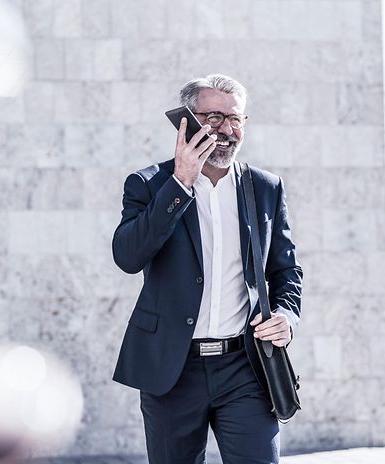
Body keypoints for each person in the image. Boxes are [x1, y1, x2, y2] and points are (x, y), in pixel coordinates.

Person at [111, 74, 303, 464]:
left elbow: (286, 271)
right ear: (187, 121)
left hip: (246, 367)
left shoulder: (265, 187)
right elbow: (128, 258)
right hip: (173, 369)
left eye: (236, 119)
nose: (227, 130)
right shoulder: (149, 184)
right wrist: (181, 182)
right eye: (214, 117)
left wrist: (286, 316)